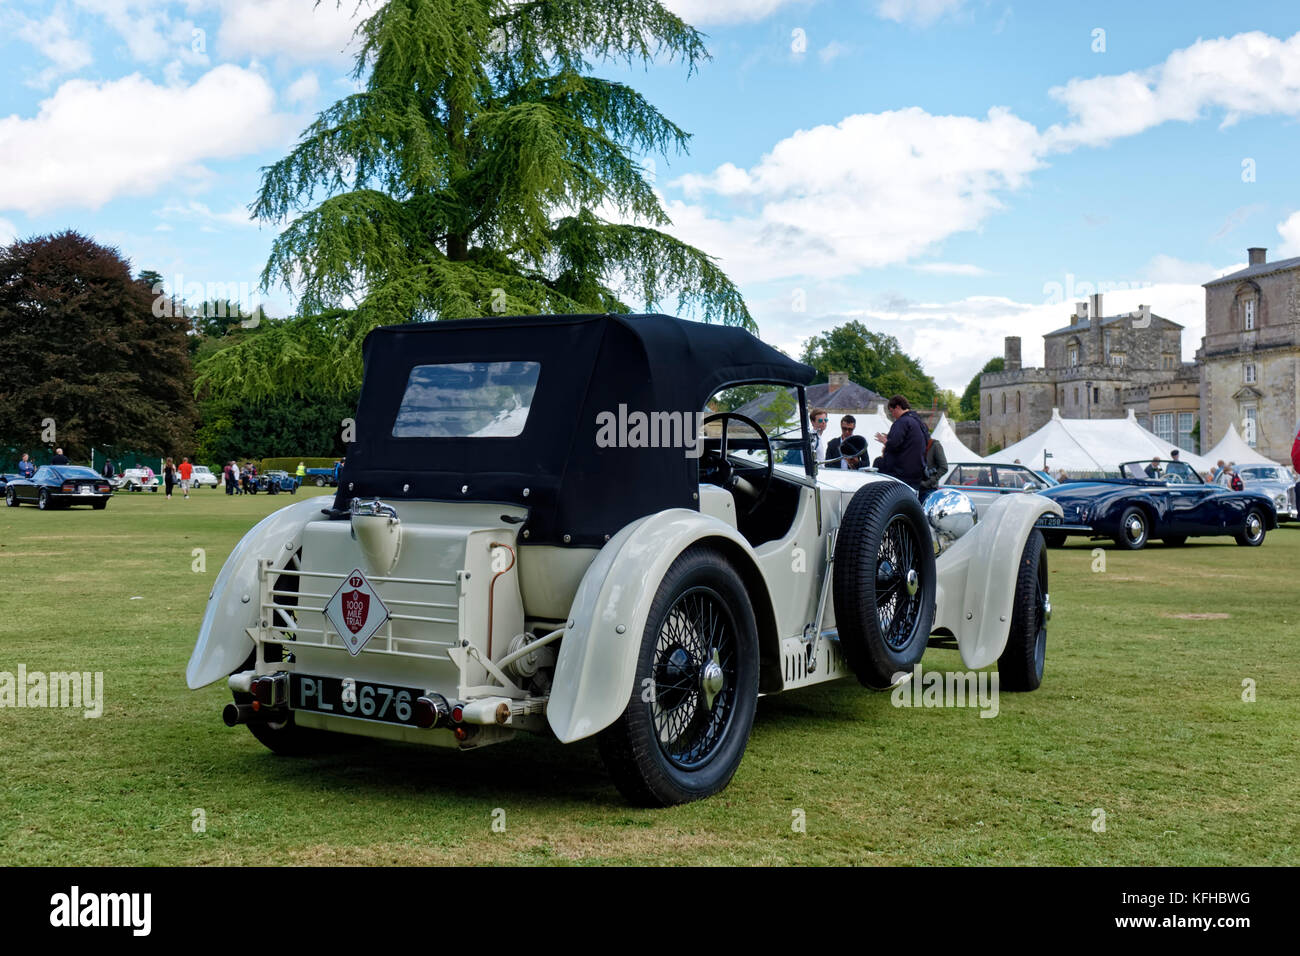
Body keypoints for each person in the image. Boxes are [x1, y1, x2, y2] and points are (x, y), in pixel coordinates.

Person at [873, 395, 929, 492]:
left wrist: (885, 441)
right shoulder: (918, 422)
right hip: (917, 473)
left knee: (878, 463)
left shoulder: (902, 422)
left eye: (892, 411)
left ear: (898, 407)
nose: (893, 415)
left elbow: (894, 444)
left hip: (901, 473)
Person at [919, 434, 948, 501]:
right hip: (916, 488)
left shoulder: (935, 445)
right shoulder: (917, 445)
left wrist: (928, 483)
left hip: (928, 489)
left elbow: (944, 467)